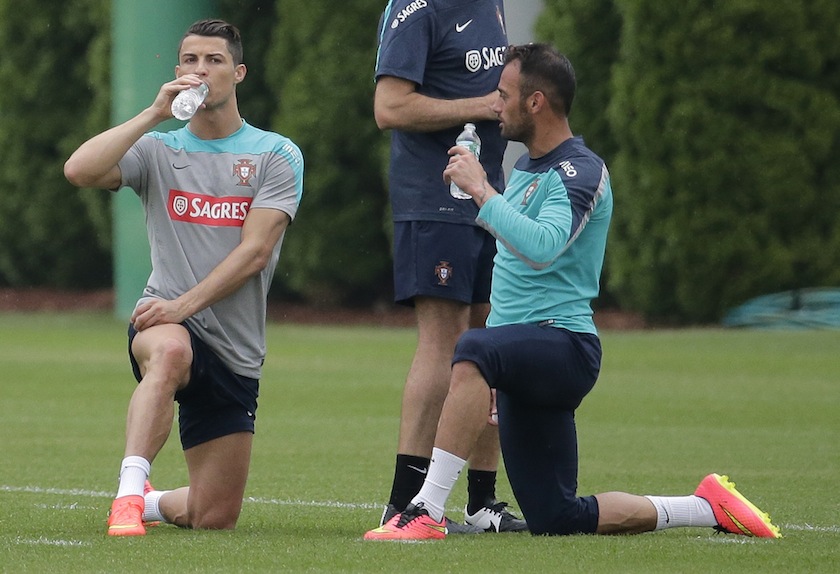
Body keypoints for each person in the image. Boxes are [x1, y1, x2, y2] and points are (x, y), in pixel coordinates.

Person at [365, 43, 781, 540]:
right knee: (556, 517)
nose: (495, 106)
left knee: (470, 345)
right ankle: (706, 507)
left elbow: (544, 248)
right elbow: (515, 275)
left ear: (536, 102)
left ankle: (426, 511)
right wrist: (498, 368)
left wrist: (481, 190)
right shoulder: (528, 169)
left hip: (564, 346)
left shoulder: (578, 171)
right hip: (525, 354)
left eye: (504, 95)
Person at [64, 19, 304, 536]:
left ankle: (151, 503)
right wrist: (153, 113)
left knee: (213, 517)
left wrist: (184, 305)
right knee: (171, 352)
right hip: (164, 320)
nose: (201, 71)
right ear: (177, 72)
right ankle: (129, 494)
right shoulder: (158, 149)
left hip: (234, 349)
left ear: (238, 73)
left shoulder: (275, 154)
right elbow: (79, 171)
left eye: (214, 61)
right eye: (191, 61)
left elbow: (255, 252)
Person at [373, 0, 526, 533]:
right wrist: (486, 103)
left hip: (486, 194)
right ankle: (404, 503)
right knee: (443, 341)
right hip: (434, 199)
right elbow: (390, 108)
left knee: (491, 344)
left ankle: (481, 503)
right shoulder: (417, 8)